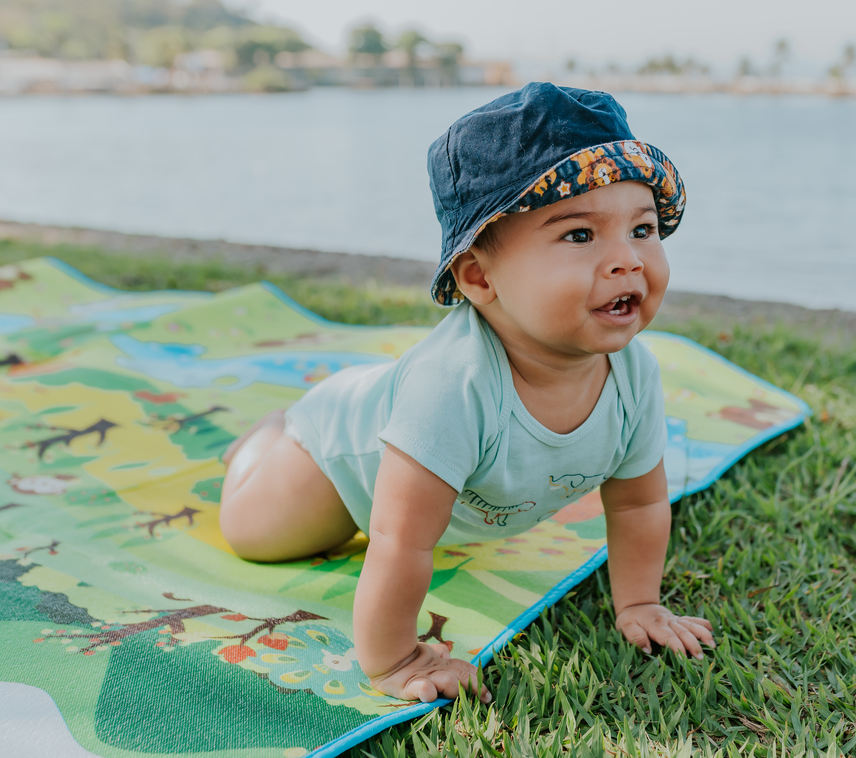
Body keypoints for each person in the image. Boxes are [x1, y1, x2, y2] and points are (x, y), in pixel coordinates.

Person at [218, 83, 715, 705]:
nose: (629, 261)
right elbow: (399, 541)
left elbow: (639, 504)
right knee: (254, 533)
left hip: (403, 428)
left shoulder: (633, 374)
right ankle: (267, 437)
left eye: (643, 228)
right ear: (479, 275)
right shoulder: (452, 386)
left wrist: (639, 602)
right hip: (337, 461)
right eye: (579, 236)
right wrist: (395, 660)